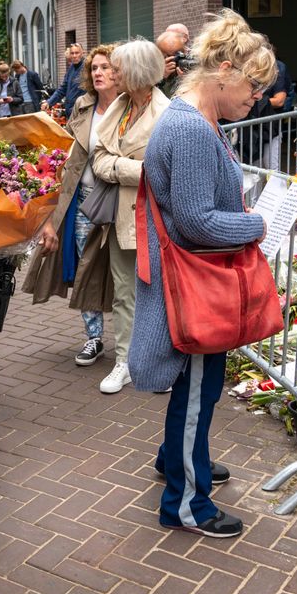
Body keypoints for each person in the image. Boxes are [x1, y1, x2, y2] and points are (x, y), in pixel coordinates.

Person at [132, 9, 274, 539]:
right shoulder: (191, 127)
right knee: (196, 390)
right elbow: (195, 222)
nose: (256, 96)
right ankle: (186, 503)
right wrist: (258, 224)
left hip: (193, 281)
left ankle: (180, 459)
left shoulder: (192, 117)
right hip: (195, 287)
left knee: (200, 389)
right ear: (224, 70)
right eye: (253, 84)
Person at [23, 44, 119, 365]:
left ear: (121, 72)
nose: (99, 73)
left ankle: (131, 340)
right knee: (85, 267)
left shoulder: (132, 108)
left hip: (120, 201)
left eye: (106, 67)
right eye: (95, 68)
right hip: (83, 200)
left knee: (122, 270)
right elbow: (66, 151)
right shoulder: (82, 105)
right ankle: (94, 337)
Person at [90, 39, 171, 394]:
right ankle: (124, 361)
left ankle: (160, 364)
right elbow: (97, 158)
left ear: (136, 73)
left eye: (118, 69)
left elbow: (162, 171)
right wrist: (130, 167)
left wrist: (116, 166)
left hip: (153, 218)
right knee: (124, 293)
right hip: (119, 218)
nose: (112, 73)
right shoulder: (119, 106)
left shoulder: (166, 113)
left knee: (159, 293)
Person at [42, 43, 85, 117]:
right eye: (72, 53)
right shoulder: (71, 68)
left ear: (82, 53)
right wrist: (49, 102)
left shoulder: (87, 68)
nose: (74, 56)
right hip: (70, 112)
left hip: (82, 112)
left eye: (77, 53)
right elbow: (62, 89)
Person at [156, 30, 188, 98]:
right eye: (170, 56)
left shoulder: (193, 63)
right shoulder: (153, 72)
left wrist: (188, 81)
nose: (178, 59)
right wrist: (162, 77)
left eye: (181, 53)